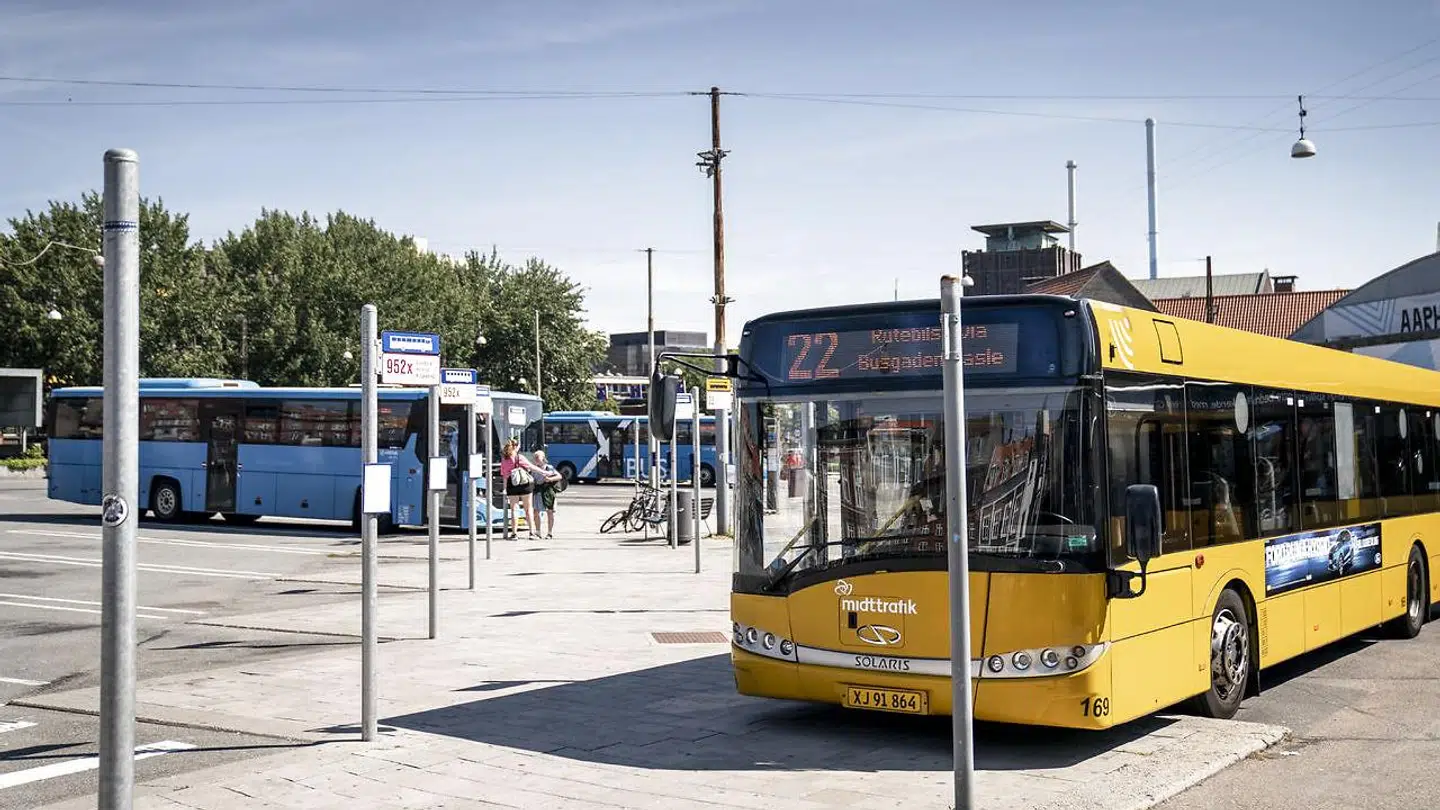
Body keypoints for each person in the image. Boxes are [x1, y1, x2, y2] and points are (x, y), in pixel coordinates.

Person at [500, 440, 544, 539]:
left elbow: (505, 476)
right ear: (516, 447)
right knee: (528, 509)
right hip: (525, 485)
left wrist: (505, 489)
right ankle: (532, 533)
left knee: (514, 509)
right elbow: (531, 467)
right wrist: (543, 472)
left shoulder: (505, 460)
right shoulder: (520, 457)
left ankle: (514, 534)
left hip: (512, 485)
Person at [530, 449, 565, 539]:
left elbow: (559, 476)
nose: (536, 459)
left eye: (538, 457)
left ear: (543, 458)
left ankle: (549, 533)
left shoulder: (549, 467)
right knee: (536, 512)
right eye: (535, 457)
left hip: (548, 492)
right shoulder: (533, 468)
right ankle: (538, 532)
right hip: (537, 492)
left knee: (550, 512)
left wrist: (549, 479)